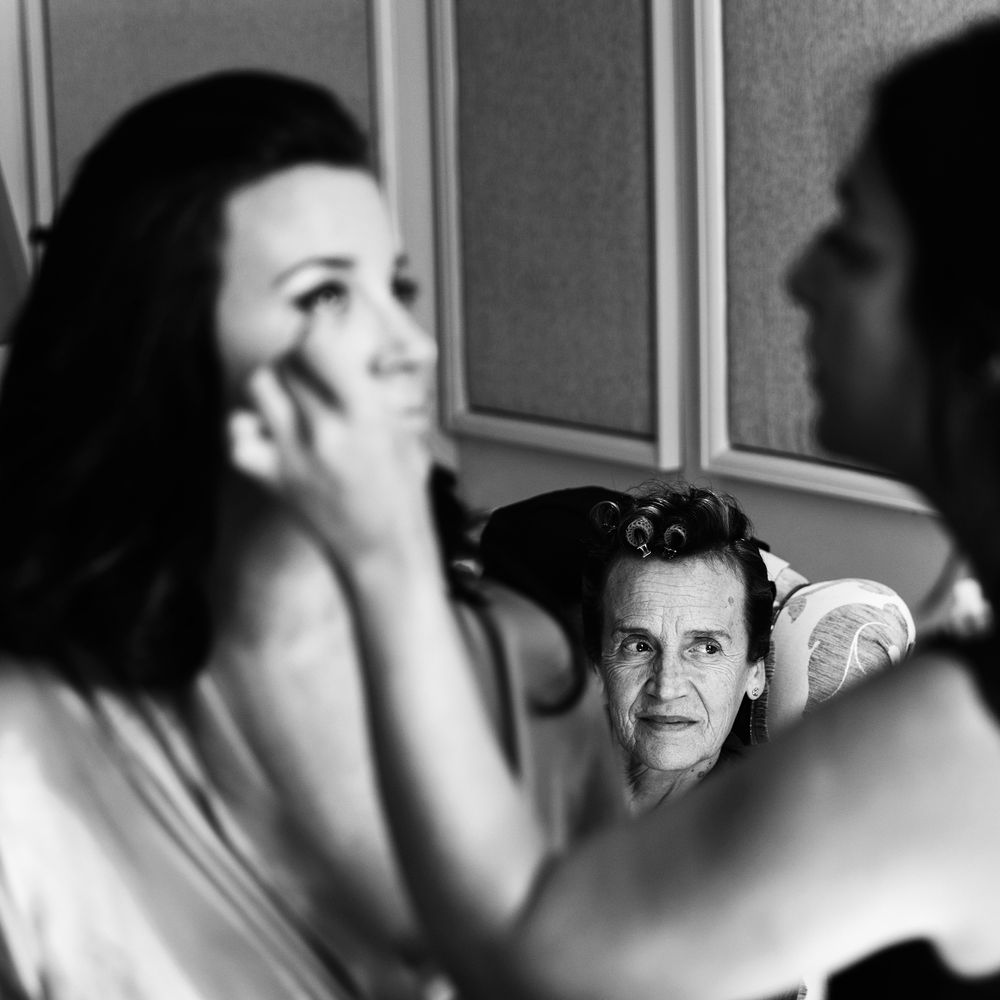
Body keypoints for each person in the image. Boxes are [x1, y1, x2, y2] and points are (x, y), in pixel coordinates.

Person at [241, 17, 1000, 999]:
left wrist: (381, 550)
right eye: (636, 644)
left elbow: (540, 955)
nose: (797, 276)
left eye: (853, 247)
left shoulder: (953, 733)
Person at [0, 70, 619, 999]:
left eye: (396, 287)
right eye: (326, 296)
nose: (412, 346)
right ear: (161, 348)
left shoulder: (522, 666)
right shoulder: (26, 744)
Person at [580, 484, 771, 812]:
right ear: (597, 665)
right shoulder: (524, 778)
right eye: (639, 646)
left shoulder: (774, 818)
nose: (667, 688)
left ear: (755, 671)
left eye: (707, 648)